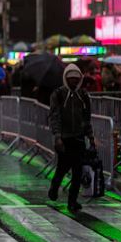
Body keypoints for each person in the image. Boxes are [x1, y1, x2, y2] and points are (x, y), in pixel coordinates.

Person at [47, 64, 94, 213]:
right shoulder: (58, 94)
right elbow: (55, 116)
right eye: (71, 78)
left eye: (76, 78)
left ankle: (72, 201)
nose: (74, 81)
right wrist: (57, 136)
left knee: (77, 172)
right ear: (66, 78)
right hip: (64, 139)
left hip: (79, 139)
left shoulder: (84, 96)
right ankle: (54, 188)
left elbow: (87, 118)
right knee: (62, 169)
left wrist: (91, 136)